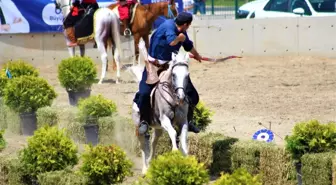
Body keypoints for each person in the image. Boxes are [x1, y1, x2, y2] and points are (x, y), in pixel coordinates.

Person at [133, 12, 203, 135]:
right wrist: (179, 38)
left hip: (170, 67)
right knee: (144, 94)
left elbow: (188, 45)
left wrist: (197, 55)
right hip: (153, 67)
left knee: (193, 95)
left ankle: (189, 120)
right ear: (186, 24)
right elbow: (172, 42)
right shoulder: (168, 27)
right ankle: (144, 121)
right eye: (189, 25)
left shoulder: (181, 30)